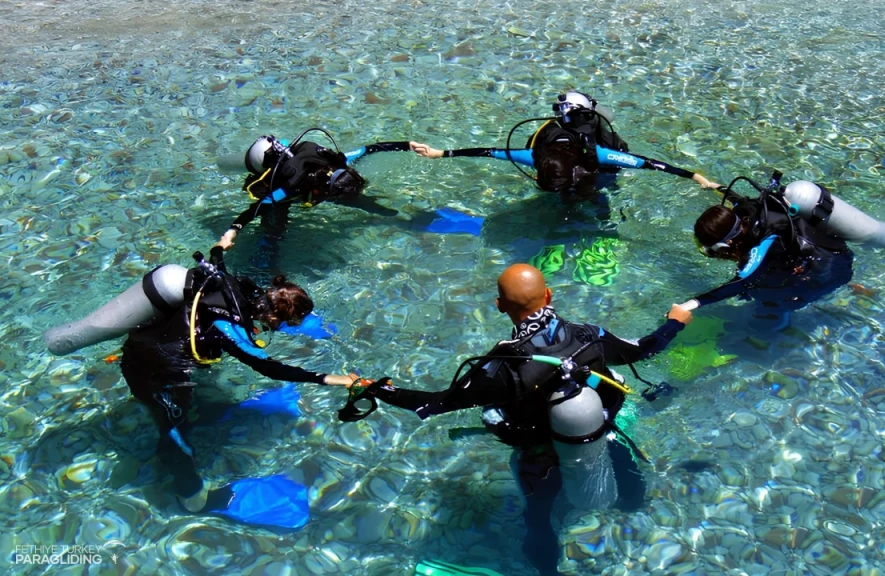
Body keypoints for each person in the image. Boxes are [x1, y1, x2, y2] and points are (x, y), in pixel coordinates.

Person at [338, 264, 693, 575]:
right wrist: (674, 323)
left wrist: (379, 389)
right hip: (600, 434)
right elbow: (646, 349)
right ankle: (636, 516)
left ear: (499, 306)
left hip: (540, 458)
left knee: (538, 521)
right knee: (629, 486)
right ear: (549, 295)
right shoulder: (589, 336)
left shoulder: (503, 368)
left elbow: (435, 404)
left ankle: (548, 571)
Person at [118, 246, 362, 519]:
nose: (281, 330)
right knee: (174, 431)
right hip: (152, 371)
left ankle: (204, 416)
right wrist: (336, 380)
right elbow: (270, 368)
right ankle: (192, 501)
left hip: (149, 348)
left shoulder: (245, 290)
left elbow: (216, 261)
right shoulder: (231, 329)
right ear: (272, 316)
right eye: (284, 325)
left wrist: (224, 241)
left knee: (186, 408)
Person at [408, 90, 719, 201]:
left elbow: (649, 163)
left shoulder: (598, 153)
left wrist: (697, 177)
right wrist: (441, 153)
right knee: (567, 198)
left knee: (594, 188)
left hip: (595, 168)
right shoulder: (532, 155)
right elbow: (487, 153)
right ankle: (570, 200)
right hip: (568, 167)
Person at [681, 174, 856, 328]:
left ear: (724, 246)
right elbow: (735, 198)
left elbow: (739, 284)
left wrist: (691, 304)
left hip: (831, 269)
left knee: (764, 297)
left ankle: (778, 325)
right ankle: (854, 288)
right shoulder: (748, 214)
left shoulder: (763, 250)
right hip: (833, 249)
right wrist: (711, 184)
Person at [215, 129, 416, 259]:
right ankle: (265, 263)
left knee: (364, 203)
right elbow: (256, 209)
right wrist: (231, 233)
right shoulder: (287, 190)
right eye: (333, 194)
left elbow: (369, 149)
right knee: (273, 233)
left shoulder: (335, 162)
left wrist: (408, 145)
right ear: (322, 189)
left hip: (290, 169)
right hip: (277, 179)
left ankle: (394, 216)